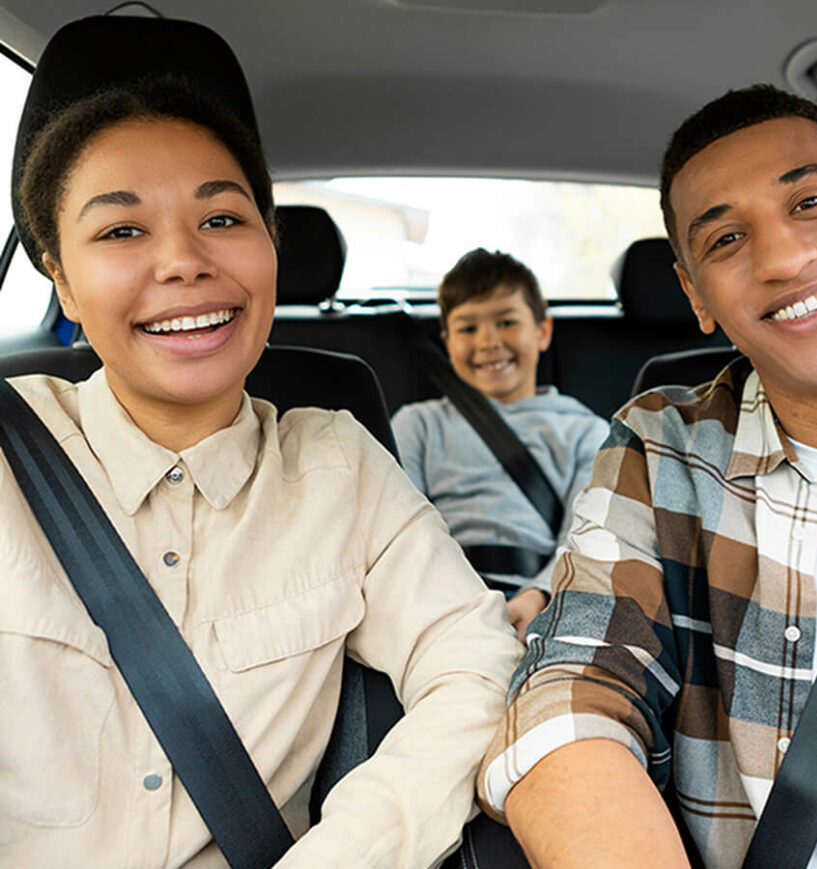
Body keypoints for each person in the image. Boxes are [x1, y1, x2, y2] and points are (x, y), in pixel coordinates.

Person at [1, 21, 522, 869]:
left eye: (221, 215)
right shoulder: (7, 453)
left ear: (270, 242)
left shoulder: (341, 466)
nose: (182, 261)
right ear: (57, 271)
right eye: (122, 231)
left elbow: (477, 665)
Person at [475, 84, 817, 868]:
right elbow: (572, 695)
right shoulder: (662, 446)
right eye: (727, 239)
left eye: (810, 201)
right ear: (695, 294)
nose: (783, 258)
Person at [391, 249, 609, 641]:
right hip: (437, 601)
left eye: (506, 322)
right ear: (447, 342)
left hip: (547, 599)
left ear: (542, 331)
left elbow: (582, 533)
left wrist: (538, 594)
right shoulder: (417, 424)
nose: (489, 342)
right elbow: (400, 526)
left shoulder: (586, 431)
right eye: (468, 329)